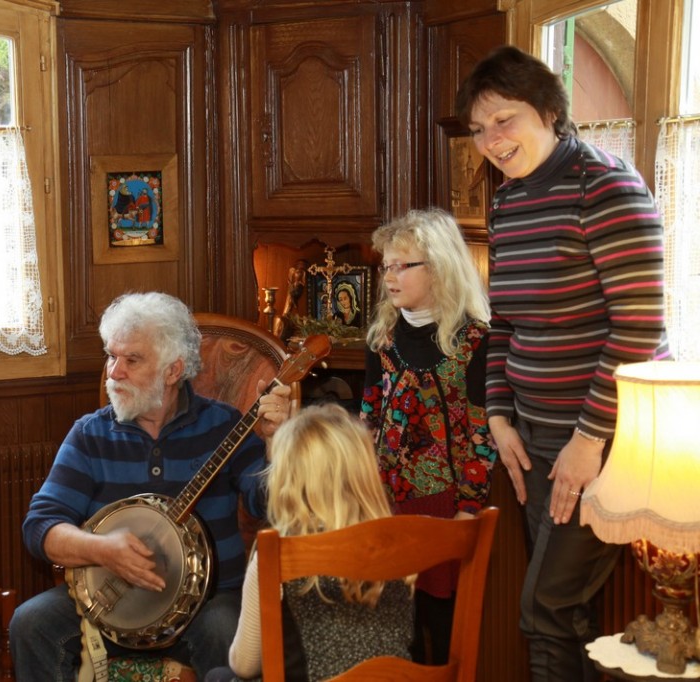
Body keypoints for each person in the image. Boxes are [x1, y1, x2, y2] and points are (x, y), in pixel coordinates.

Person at [456, 45, 669, 682]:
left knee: (545, 607)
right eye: (478, 130)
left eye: (505, 120)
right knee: (564, 613)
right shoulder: (509, 201)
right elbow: (506, 325)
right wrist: (498, 415)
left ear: (549, 111)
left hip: (606, 443)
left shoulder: (606, 184)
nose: (491, 141)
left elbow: (640, 327)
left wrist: (588, 438)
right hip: (534, 441)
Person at [10, 291, 292, 680]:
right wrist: (102, 550)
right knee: (30, 623)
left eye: (131, 360)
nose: (113, 372)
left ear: (173, 370)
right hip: (110, 605)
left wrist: (278, 443)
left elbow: (271, 505)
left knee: (229, 630)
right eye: (111, 356)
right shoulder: (91, 435)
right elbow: (40, 527)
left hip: (208, 603)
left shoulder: (224, 425)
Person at [360, 207, 496, 665]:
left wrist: (468, 508)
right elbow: (368, 421)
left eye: (403, 265)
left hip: (445, 507)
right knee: (398, 634)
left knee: (445, 632)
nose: (390, 277)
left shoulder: (475, 340)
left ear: (438, 267)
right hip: (388, 505)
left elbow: (482, 433)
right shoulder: (381, 338)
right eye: (387, 267)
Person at [205, 403, 415, 682]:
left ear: (286, 480)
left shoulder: (276, 553)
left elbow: (245, 665)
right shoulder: (402, 544)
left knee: (219, 676)